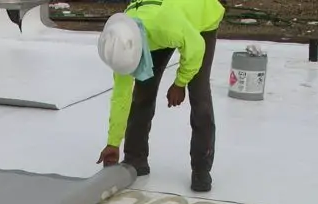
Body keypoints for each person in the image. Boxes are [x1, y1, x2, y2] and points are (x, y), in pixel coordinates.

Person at [94, 0, 225, 193]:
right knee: (142, 92)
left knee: (200, 96)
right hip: (159, 25)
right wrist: (113, 143)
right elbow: (121, 97)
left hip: (199, 16)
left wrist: (180, 83)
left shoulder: (166, 27)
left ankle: (201, 169)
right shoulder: (120, 40)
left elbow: (196, 47)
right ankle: (135, 159)